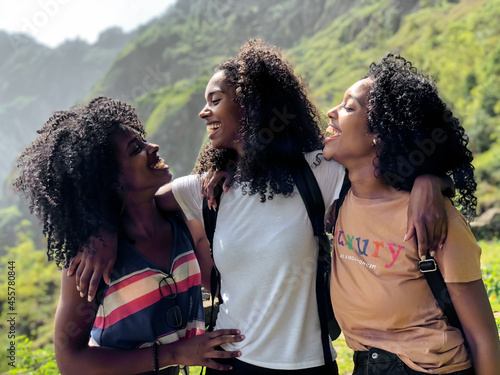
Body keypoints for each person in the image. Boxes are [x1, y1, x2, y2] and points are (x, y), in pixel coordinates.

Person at [70, 41, 450, 374]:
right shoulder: (203, 190)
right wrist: (99, 234)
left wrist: (429, 179)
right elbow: (129, 200)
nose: (204, 113)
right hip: (229, 363)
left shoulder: (317, 171)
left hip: (309, 364)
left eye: (215, 100)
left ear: (250, 106)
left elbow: (387, 157)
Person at [14, 97, 244, 375]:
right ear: (110, 181)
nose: (153, 147)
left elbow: (221, 285)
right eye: (136, 148)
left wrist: (228, 176)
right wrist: (176, 353)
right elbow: (69, 361)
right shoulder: (90, 258)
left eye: (143, 140)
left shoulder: (179, 217)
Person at [323, 54, 500, 375]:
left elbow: (483, 337)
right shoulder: (339, 194)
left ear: (382, 134)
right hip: (365, 365)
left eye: (349, 108)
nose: (331, 112)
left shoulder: (432, 217)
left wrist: (431, 180)